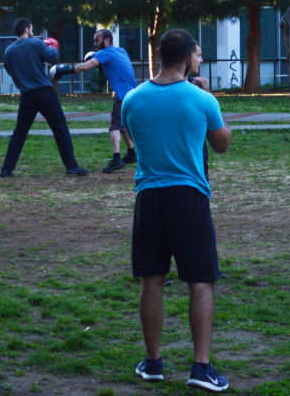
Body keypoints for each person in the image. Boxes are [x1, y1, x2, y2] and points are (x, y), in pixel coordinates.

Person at [123, 29, 232, 392]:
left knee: (151, 280)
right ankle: (201, 367)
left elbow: (138, 139)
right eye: (198, 56)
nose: (199, 62)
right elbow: (222, 145)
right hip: (189, 196)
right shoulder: (201, 99)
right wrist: (208, 99)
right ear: (187, 59)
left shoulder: (133, 99)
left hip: (149, 197)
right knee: (200, 281)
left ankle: (153, 362)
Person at [0, 18, 88, 176]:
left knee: (19, 133)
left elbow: (10, 70)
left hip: (26, 94)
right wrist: (53, 46)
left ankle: (7, 169)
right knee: (60, 128)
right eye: (31, 28)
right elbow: (53, 58)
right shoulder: (35, 43)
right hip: (44, 92)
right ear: (27, 29)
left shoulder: (8, 51)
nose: (32, 31)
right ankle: (71, 166)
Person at [53, 28, 138, 173]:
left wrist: (63, 70)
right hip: (134, 95)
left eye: (97, 40)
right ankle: (131, 153)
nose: (95, 44)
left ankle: (116, 158)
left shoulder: (104, 53)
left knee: (115, 127)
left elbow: (85, 67)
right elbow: (120, 70)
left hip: (123, 96)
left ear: (106, 40)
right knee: (124, 124)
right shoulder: (121, 51)